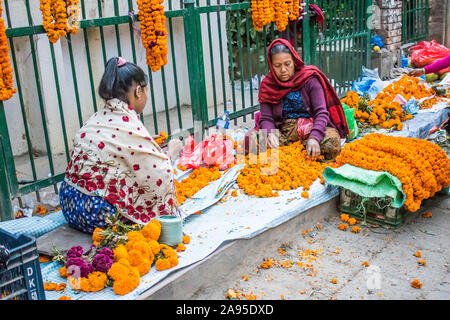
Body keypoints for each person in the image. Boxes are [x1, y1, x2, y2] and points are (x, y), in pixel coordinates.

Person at [59, 57, 182, 233]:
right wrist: (170, 153)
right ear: (138, 91)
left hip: (68, 205)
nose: (146, 96)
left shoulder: (97, 118)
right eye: (146, 91)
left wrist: (147, 145)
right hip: (95, 215)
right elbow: (160, 175)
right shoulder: (128, 125)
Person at [248, 38, 348, 161]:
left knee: (331, 143)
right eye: (277, 66)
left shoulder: (310, 79)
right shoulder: (268, 85)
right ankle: (294, 151)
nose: (283, 70)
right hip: (284, 131)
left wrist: (315, 137)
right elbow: (266, 118)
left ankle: (301, 150)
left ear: (294, 61)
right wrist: (270, 133)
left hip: (311, 128)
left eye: (287, 64)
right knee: (253, 140)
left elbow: (321, 112)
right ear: (271, 65)